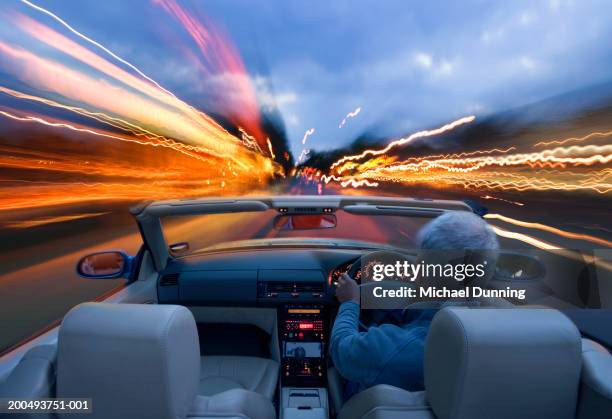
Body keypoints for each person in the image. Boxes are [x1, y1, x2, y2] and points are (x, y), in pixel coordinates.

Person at [329, 211, 499, 397]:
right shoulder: (502, 323)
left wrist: (350, 302)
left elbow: (342, 349)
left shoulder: (402, 346)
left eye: (420, 257)